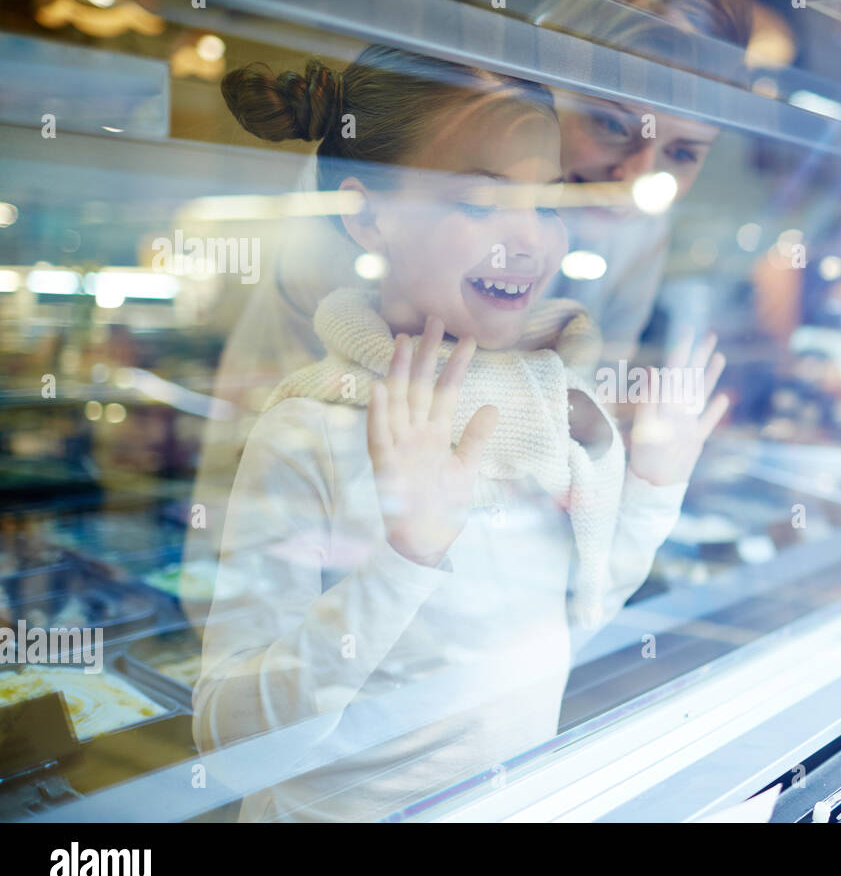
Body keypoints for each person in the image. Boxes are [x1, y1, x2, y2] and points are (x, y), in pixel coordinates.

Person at [196, 47, 728, 821]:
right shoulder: (309, 430)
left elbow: (573, 626)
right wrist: (406, 558)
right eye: (479, 204)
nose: (531, 242)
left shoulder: (548, 409)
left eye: (544, 202)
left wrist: (653, 483)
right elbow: (232, 745)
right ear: (367, 214)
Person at [178, 0, 753, 620]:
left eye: (683, 153)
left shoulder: (641, 222)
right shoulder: (390, 204)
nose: (639, 180)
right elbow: (293, 443)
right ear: (547, 84)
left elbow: (582, 401)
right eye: (611, 124)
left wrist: (640, 463)